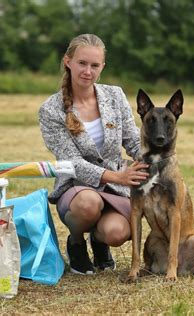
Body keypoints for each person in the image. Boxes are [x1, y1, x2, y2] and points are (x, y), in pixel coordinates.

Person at [38, 34, 149, 275]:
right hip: (76, 189)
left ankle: (99, 242)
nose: (88, 71)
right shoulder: (51, 109)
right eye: (82, 63)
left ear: (102, 67)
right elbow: (72, 162)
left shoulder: (115, 96)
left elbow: (132, 139)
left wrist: (157, 159)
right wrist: (117, 176)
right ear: (68, 62)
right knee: (90, 204)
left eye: (95, 65)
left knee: (117, 233)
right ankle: (76, 243)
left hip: (116, 189)